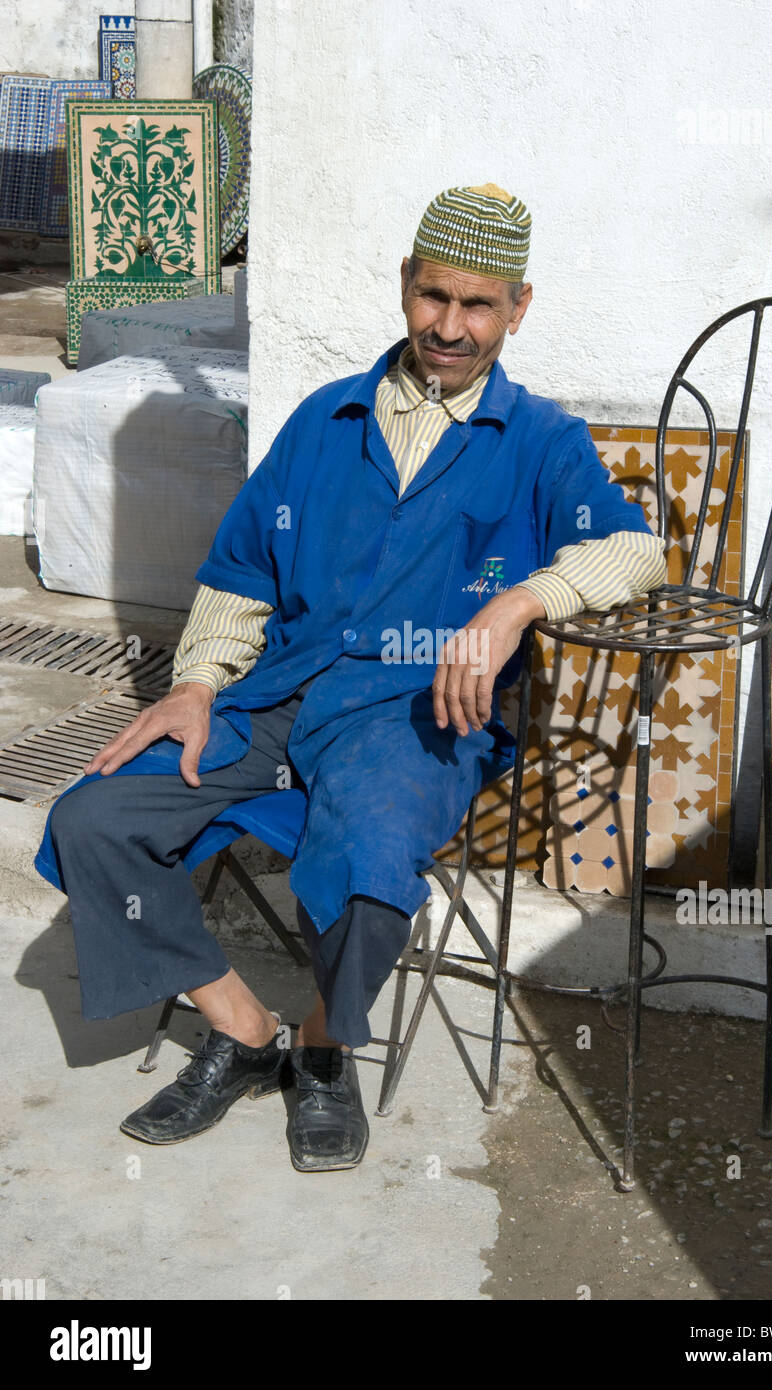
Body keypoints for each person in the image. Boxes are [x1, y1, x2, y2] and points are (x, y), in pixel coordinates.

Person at [34, 183, 666, 1172]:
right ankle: (244, 1032)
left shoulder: (541, 441)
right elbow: (242, 570)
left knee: (371, 861)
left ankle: (324, 1048)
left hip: (411, 714)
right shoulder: (325, 421)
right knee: (94, 818)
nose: (449, 328)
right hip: (281, 693)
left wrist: (511, 607)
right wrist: (199, 679)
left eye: (478, 306)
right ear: (406, 283)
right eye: (434, 298)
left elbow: (637, 552)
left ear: (518, 308)